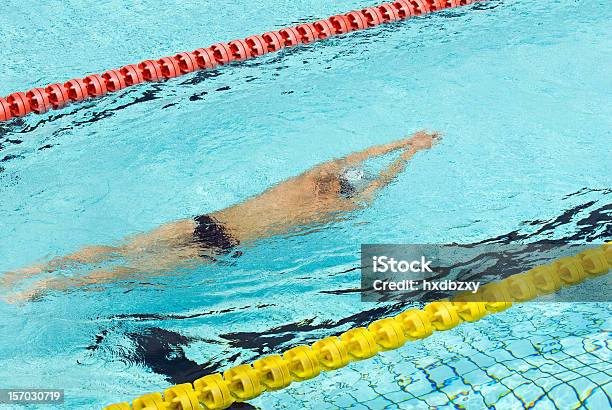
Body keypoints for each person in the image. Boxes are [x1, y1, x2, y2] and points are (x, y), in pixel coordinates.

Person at [2, 131, 441, 300]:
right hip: (220, 246)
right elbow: (378, 183)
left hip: (202, 221)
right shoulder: (333, 210)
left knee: (120, 251)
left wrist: (402, 143)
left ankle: (33, 271)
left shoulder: (306, 180)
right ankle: (45, 287)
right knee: (129, 273)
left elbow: (355, 155)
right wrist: (409, 156)